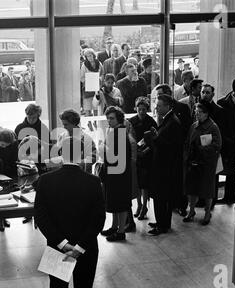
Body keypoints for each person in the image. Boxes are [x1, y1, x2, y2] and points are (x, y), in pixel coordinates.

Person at [34, 136, 105, 288]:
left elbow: (41, 216)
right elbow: (99, 219)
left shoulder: (45, 180)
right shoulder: (93, 181)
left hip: (56, 246)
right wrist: (79, 247)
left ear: (60, 153)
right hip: (86, 248)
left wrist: (62, 243)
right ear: (82, 154)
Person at [144, 94, 183, 235]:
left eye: (159, 105)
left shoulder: (173, 122)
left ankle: (163, 225)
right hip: (162, 165)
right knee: (161, 197)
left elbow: (172, 147)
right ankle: (161, 222)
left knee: (162, 198)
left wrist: (156, 138)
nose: (157, 107)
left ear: (168, 106)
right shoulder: (167, 120)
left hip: (165, 168)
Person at [183, 102, 222, 225]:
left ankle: (207, 213)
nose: (197, 114)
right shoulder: (193, 126)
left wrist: (201, 149)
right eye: (196, 112)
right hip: (193, 161)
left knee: (207, 189)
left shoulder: (213, 127)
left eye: (199, 112)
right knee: (192, 188)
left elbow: (217, 145)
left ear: (206, 114)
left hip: (207, 163)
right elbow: (187, 142)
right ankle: (192, 211)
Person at [99, 106, 132, 242]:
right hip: (114, 172)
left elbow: (117, 156)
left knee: (120, 202)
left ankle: (121, 231)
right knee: (114, 201)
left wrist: (103, 149)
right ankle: (114, 226)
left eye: (111, 118)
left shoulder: (120, 132)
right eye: (107, 118)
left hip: (120, 174)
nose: (109, 120)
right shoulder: (115, 131)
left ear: (119, 118)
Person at [128, 97, 157, 221]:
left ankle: (145, 205)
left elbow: (155, 140)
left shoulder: (151, 122)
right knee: (137, 183)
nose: (141, 112)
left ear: (147, 109)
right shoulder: (131, 121)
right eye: (139, 109)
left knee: (145, 183)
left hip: (147, 155)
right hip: (136, 155)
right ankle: (139, 205)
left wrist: (146, 151)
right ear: (136, 109)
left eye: (144, 109)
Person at [217, 77, 235, 205]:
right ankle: (228, 196)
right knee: (228, 169)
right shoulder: (222, 103)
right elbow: (219, 125)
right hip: (228, 142)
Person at [53, 109, 97, 174]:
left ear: (74, 123)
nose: (64, 127)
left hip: (81, 175)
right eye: (63, 124)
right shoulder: (62, 136)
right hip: (64, 174)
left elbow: (93, 157)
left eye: (66, 124)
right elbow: (57, 153)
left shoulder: (87, 139)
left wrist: (77, 164)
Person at [80, 48, 104, 117]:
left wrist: (100, 79)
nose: (89, 57)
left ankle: (96, 123)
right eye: (87, 56)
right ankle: (89, 124)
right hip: (88, 89)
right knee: (88, 109)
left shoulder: (99, 63)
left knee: (96, 108)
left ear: (93, 55)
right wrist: (89, 81)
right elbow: (81, 77)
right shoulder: (84, 65)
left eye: (90, 55)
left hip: (97, 89)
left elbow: (102, 74)